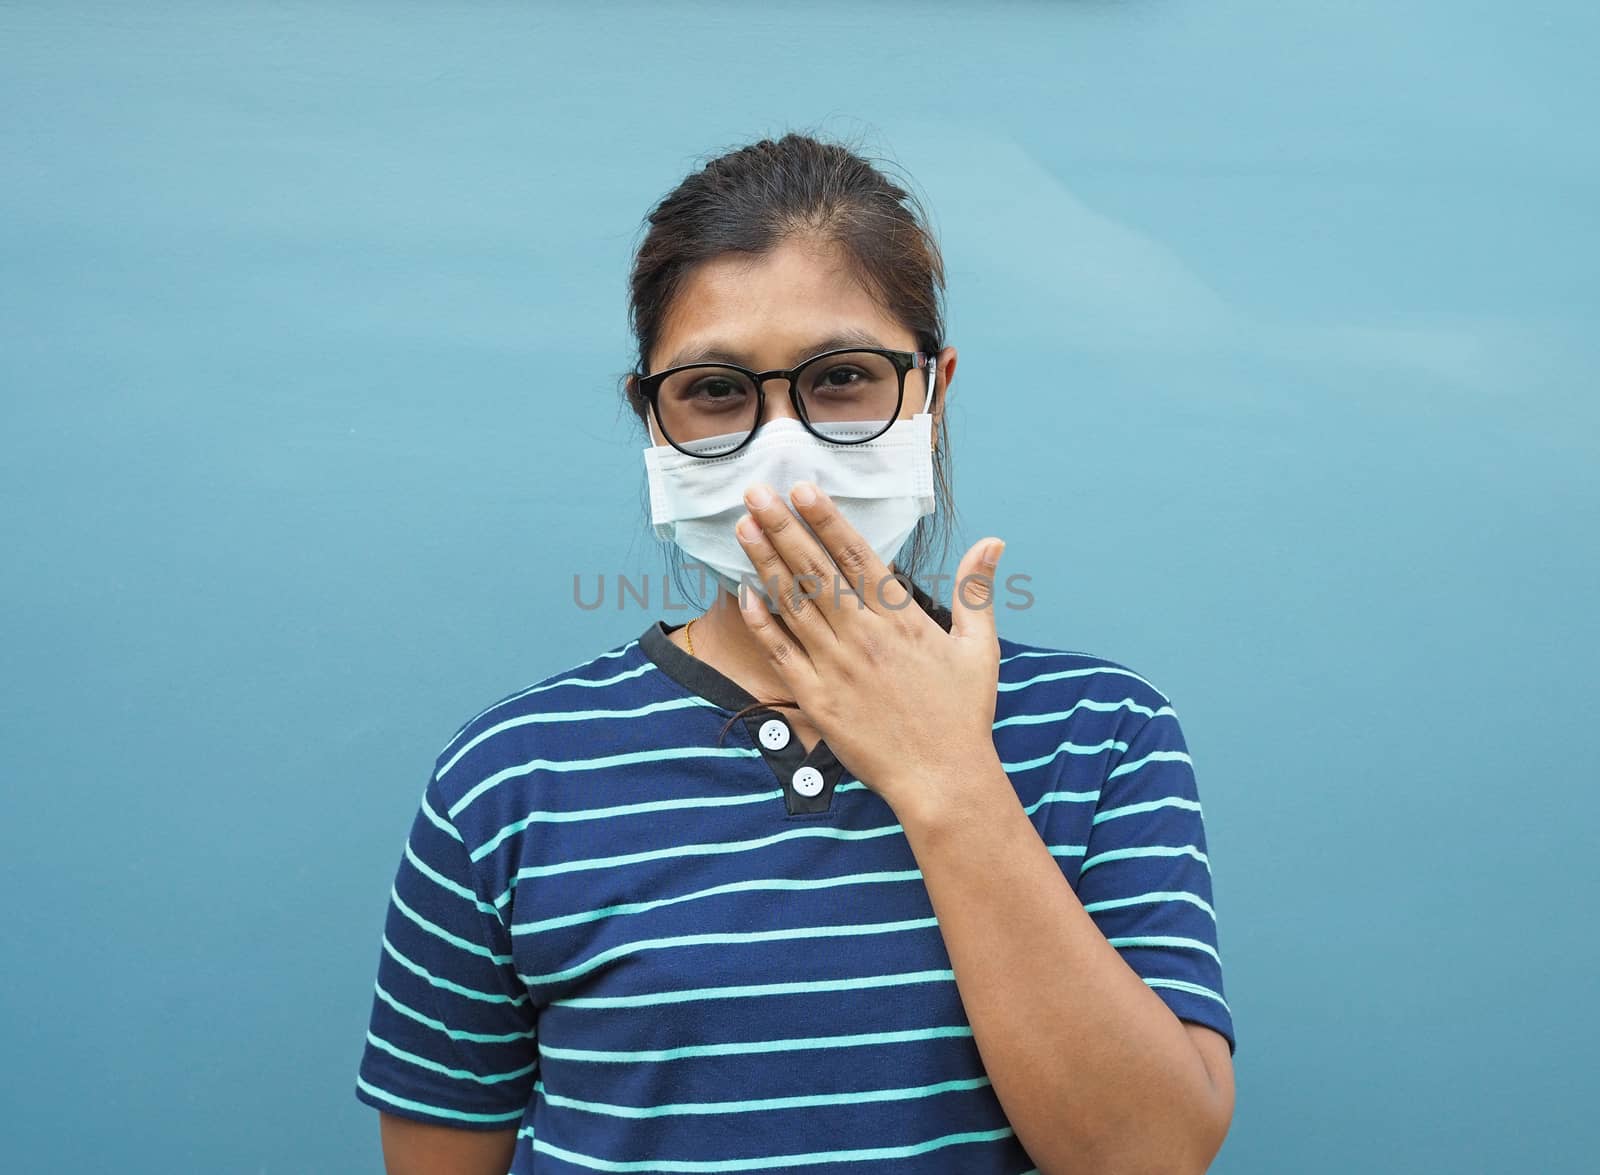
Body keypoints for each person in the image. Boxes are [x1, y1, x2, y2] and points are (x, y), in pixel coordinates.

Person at [354, 131, 1237, 1174]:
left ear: (933, 389)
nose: (784, 450)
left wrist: (946, 776)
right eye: (717, 391)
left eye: (843, 377)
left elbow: (1149, 1157)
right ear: (651, 416)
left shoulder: (1101, 732)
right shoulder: (508, 776)